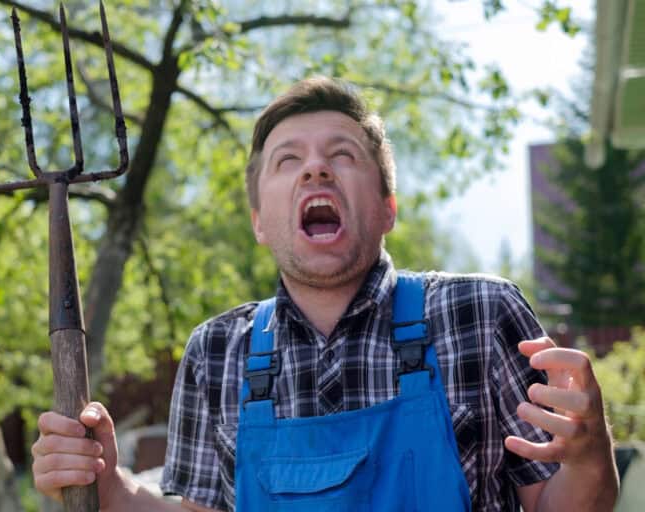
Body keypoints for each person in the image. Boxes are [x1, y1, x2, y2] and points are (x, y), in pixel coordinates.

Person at [32, 77, 619, 511]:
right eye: (289, 160)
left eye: (343, 155)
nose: (316, 170)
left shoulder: (479, 314)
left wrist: (591, 457)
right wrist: (109, 486)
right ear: (260, 222)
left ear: (388, 208)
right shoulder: (215, 352)